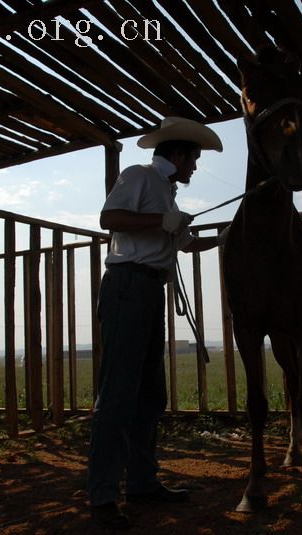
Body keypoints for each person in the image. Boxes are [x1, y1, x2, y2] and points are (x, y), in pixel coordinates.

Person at [87, 117, 227, 530]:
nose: (196, 168)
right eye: (194, 160)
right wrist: (159, 223)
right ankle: (103, 496)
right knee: (117, 396)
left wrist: (222, 239)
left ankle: (143, 483)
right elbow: (108, 216)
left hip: (147, 292)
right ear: (179, 155)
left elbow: (186, 244)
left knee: (150, 395)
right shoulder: (140, 176)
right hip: (128, 286)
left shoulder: (167, 197)